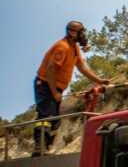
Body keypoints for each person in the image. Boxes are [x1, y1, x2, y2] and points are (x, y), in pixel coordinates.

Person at [32, 21, 109, 156]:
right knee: (46, 116)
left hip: (55, 87)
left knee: (55, 120)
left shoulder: (74, 48)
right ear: (72, 32)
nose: (83, 35)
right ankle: (39, 149)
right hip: (44, 85)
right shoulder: (62, 47)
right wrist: (54, 92)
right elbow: (50, 70)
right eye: (81, 32)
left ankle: (45, 148)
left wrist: (99, 81)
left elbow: (82, 67)